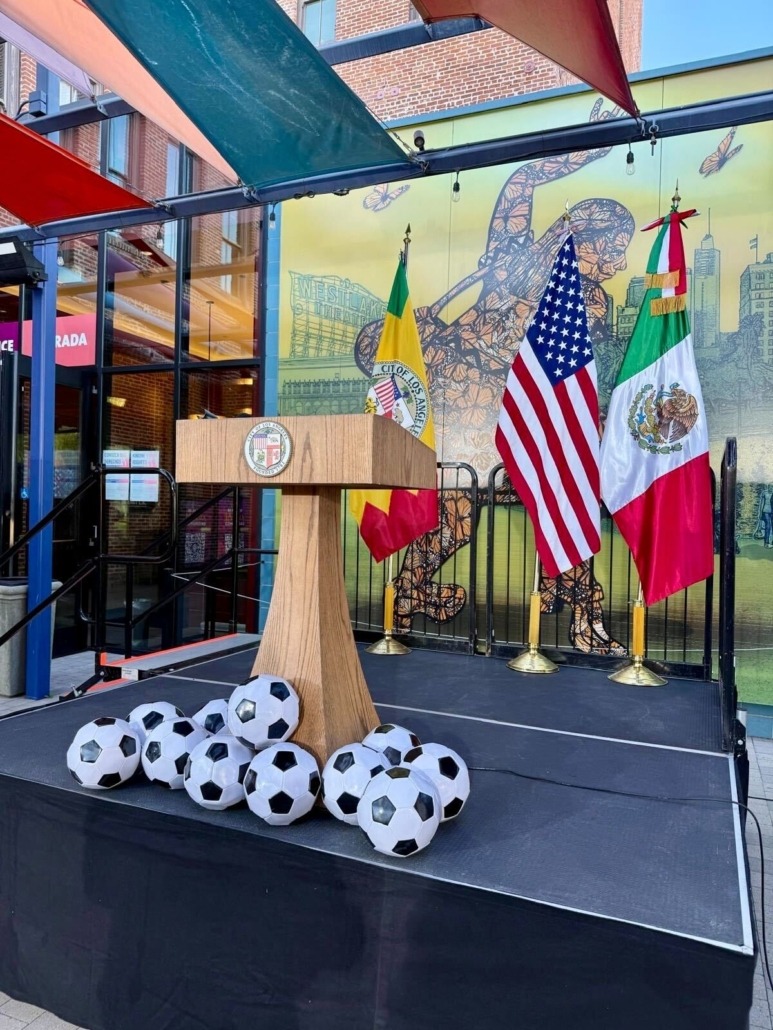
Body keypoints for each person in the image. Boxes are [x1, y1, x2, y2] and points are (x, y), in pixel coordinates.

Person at [355, 101, 632, 654]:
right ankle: (407, 599)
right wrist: (587, 148)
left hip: (516, 411)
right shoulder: (512, 261)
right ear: (588, 238)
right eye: (614, 248)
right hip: (466, 410)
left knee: (560, 500)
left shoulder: (588, 301)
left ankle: (581, 610)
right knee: (457, 525)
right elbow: (522, 181)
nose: (619, 262)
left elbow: (535, 351)